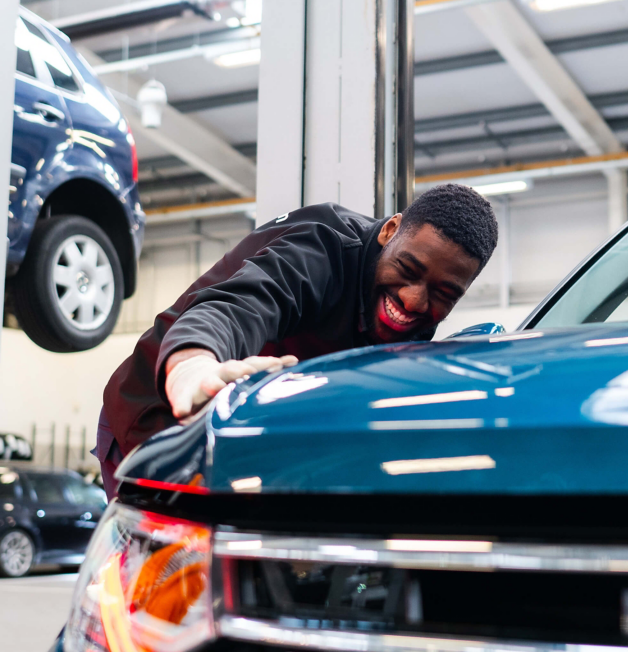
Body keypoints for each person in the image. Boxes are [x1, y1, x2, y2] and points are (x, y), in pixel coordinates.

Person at [95, 183, 498, 493]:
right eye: (408, 268)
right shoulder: (321, 249)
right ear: (390, 230)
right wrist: (192, 364)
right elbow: (242, 306)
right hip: (158, 414)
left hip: (248, 442)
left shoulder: (414, 319)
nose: (413, 300)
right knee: (169, 576)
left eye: (444, 294)